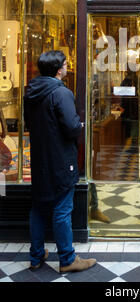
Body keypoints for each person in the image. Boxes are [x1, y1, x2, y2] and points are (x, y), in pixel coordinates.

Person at [24, 50, 96, 272]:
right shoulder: (61, 93)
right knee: (62, 209)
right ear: (58, 69)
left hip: (39, 158)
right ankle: (67, 259)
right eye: (66, 64)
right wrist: (80, 125)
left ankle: (36, 256)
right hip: (60, 159)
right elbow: (72, 127)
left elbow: (29, 124)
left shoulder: (31, 92)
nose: (68, 67)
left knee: (38, 208)